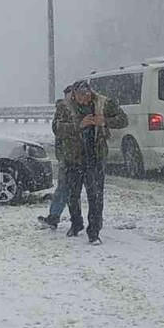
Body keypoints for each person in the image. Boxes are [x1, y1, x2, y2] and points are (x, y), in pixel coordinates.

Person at [53, 79, 128, 245]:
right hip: (73, 158)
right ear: (73, 95)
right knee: (73, 195)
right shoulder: (64, 106)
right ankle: (76, 223)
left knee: (96, 197)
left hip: (95, 156)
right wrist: (78, 124)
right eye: (80, 97)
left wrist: (105, 121)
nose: (84, 100)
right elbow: (56, 129)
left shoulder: (102, 103)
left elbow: (123, 119)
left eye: (87, 97)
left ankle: (94, 232)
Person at [38, 85, 75, 229]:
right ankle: (57, 217)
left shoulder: (68, 110)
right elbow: (58, 130)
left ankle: (56, 217)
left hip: (70, 157)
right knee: (66, 189)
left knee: (65, 189)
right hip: (69, 157)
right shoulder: (63, 110)